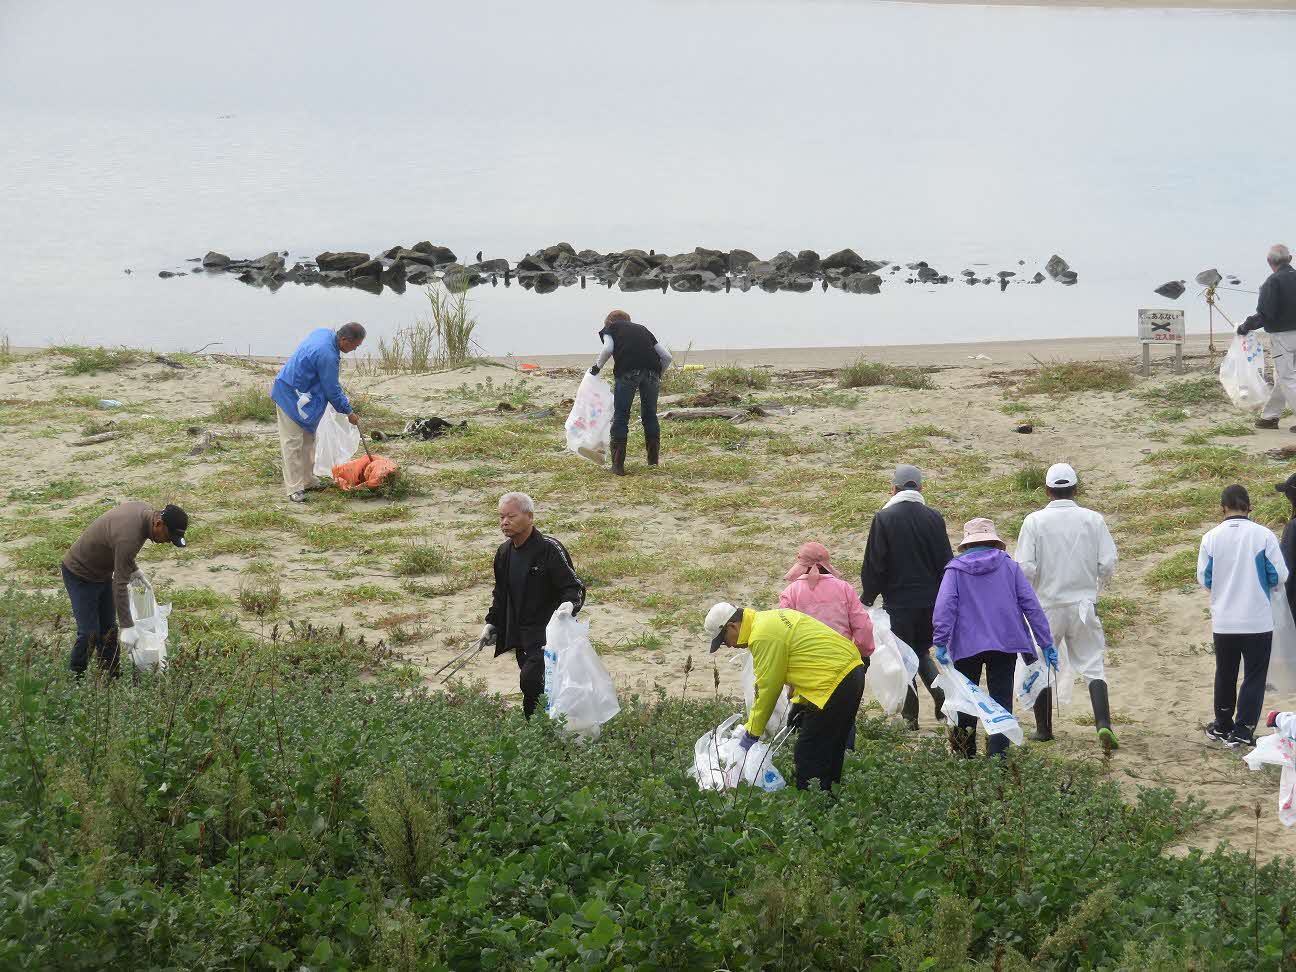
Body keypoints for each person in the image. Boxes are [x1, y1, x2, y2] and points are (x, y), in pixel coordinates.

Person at [704, 602, 866, 790]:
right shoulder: (769, 619)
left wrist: (752, 733)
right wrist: (799, 704)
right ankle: (829, 798)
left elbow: (768, 688)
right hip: (851, 672)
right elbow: (806, 661)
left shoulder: (762, 635)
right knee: (831, 747)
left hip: (835, 682)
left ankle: (811, 808)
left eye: (724, 641)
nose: (729, 646)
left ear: (732, 626)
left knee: (807, 753)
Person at [1015, 462, 1120, 750]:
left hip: (1046, 605)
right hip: (1082, 604)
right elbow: (1108, 562)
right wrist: (1096, 589)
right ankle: (1103, 725)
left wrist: (1030, 596)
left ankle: (1044, 729)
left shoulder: (1034, 521)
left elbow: (1025, 567)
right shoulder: (1093, 519)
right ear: (1075, 489)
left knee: (1040, 664)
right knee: (1092, 663)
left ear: (1047, 490)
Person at [932, 518, 1055, 759]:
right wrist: (1046, 642)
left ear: (967, 545)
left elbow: (945, 606)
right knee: (1001, 700)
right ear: (994, 542)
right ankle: (999, 755)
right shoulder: (1010, 567)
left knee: (965, 699)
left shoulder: (955, 570)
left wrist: (940, 641)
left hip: (966, 644)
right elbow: (1031, 605)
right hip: (1005, 643)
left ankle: (965, 755)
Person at [860, 463, 952, 730]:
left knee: (904, 656)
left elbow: (875, 564)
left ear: (893, 489)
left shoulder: (884, 518)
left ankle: (911, 719)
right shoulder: (934, 517)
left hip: (898, 601)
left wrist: (867, 596)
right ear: (920, 488)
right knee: (922, 651)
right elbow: (946, 562)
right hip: (931, 601)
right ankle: (941, 697)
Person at [479, 493, 585, 719]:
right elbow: (501, 594)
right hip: (521, 635)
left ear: (529, 517)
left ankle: (535, 730)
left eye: (511, 516)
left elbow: (574, 587)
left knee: (531, 681)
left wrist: (569, 606)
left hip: (548, 635)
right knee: (538, 687)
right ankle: (543, 731)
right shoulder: (504, 553)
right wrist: (492, 624)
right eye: (501, 517)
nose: (504, 522)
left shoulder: (549, 549)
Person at [1197, 484, 1288, 748]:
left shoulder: (1211, 537)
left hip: (1224, 619)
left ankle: (1222, 725)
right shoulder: (1264, 535)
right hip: (1257, 619)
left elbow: (1205, 578)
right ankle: (1244, 730)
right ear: (1250, 507)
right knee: (1254, 675)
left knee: (1225, 672)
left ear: (1222, 508)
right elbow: (1279, 575)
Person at [61, 502, 188, 674]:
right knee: (89, 633)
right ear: (159, 524)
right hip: (80, 574)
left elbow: (118, 547)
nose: (167, 542)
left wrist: (134, 570)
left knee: (109, 631)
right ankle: (74, 680)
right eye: (168, 536)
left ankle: (110, 679)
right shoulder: (131, 536)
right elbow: (119, 583)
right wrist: (128, 627)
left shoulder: (144, 512)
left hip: (102, 573)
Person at [271, 322, 365, 503]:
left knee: (308, 439)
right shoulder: (328, 355)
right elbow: (332, 390)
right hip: (289, 393)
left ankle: (308, 480)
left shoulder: (324, 333)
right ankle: (294, 488)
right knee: (292, 443)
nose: (354, 349)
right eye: (355, 345)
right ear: (344, 340)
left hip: (304, 395)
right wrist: (349, 412)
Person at [588, 309, 673, 476]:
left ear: (608, 322)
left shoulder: (611, 328)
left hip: (627, 372)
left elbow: (607, 349)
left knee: (621, 416)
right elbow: (667, 357)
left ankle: (618, 467)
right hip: (652, 373)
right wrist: (657, 375)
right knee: (650, 415)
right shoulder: (643, 329)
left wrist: (597, 367)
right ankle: (653, 463)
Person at [778, 542, 875, 658]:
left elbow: (783, 630)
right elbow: (863, 625)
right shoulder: (844, 588)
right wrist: (863, 653)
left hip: (807, 659)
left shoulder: (791, 592)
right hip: (843, 656)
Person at [1237, 245, 1296, 431]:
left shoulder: (1272, 282)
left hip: (1283, 337)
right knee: (1283, 377)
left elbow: (1265, 314)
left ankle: (1271, 417)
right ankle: (1270, 417)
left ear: (1269, 262)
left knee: (1287, 377)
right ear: (1291, 258)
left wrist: (1245, 326)